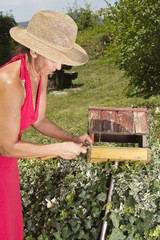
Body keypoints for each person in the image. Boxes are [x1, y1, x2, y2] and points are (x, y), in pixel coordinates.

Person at [0, 10, 92, 240]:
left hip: (6, 167)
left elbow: (38, 119)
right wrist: (57, 149)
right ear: (34, 50)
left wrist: (71, 139)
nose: (59, 67)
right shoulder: (10, 80)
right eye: (54, 58)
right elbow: (7, 147)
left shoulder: (38, 73)